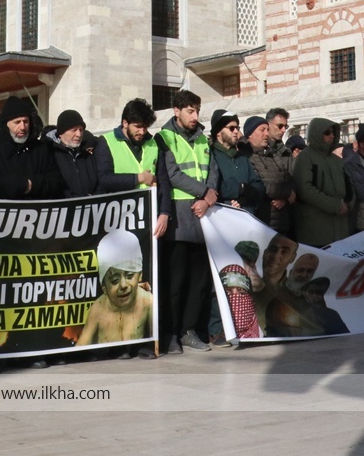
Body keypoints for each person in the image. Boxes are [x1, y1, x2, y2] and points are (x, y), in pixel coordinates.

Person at [157, 90, 219, 353]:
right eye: (190, 111)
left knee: (199, 280)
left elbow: (212, 170)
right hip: (179, 219)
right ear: (176, 111)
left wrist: (209, 197)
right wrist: (202, 192)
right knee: (175, 280)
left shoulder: (203, 139)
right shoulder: (164, 138)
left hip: (202, 217)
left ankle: (189, 330)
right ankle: (171, 332)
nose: (195, 116)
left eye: (197, 110)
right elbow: (171, 173)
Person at [204, 110, 264, 347]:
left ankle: (245, 325)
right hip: (219, 225)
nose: (237, 132)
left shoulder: (242, 159)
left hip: (243, 224)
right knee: (221, 276)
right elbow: (213, 185)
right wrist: (233, 195)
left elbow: (258, 187)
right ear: (219, 132)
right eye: (232, 128)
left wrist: (242, 191)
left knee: (244, 277)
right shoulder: (212, 156)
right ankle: (217, 329)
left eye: (237, 127)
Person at [76, 229, 153, 346]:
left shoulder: (147, 301)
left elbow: (155, 341)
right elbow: (81, 346)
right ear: (104, 287)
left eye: (130, 276)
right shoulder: (99, 308)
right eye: (114, 280)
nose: (123, 285)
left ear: (140, 275)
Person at [0, 95, 62, 200]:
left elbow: (55, 181)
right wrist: (14, 185)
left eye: (25, 121)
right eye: (17, 122)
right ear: (6, 124)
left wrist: (30, 184)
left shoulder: (41, 149)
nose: (23, 127)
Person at [292, 117, 350, 247]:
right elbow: (305, 189)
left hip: (340, 226)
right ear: (316, 133)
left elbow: (349, 186)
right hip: (316, 228)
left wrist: (348, 203)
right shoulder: (305, 158)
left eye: (333, 133)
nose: (331, 136)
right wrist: (335, 205)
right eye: (327, 133)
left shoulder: (336, 160)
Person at [246, 116, 296, 237]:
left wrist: (286, 198)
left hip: (282, 222)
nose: (266, 134)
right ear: (250, 134)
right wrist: (288, 193)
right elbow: (262, 185)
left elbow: (288, 179)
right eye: (262, 130)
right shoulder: (246, 156)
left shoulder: (273, 156)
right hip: (262, 222)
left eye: (267, 130)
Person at [48, 109, 100, 198]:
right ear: (61, 133)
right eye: (74, 130)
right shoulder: (50, 155)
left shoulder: (87, 156)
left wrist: (95, 197)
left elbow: (99, 183)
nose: (78, 134)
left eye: (81, 130)